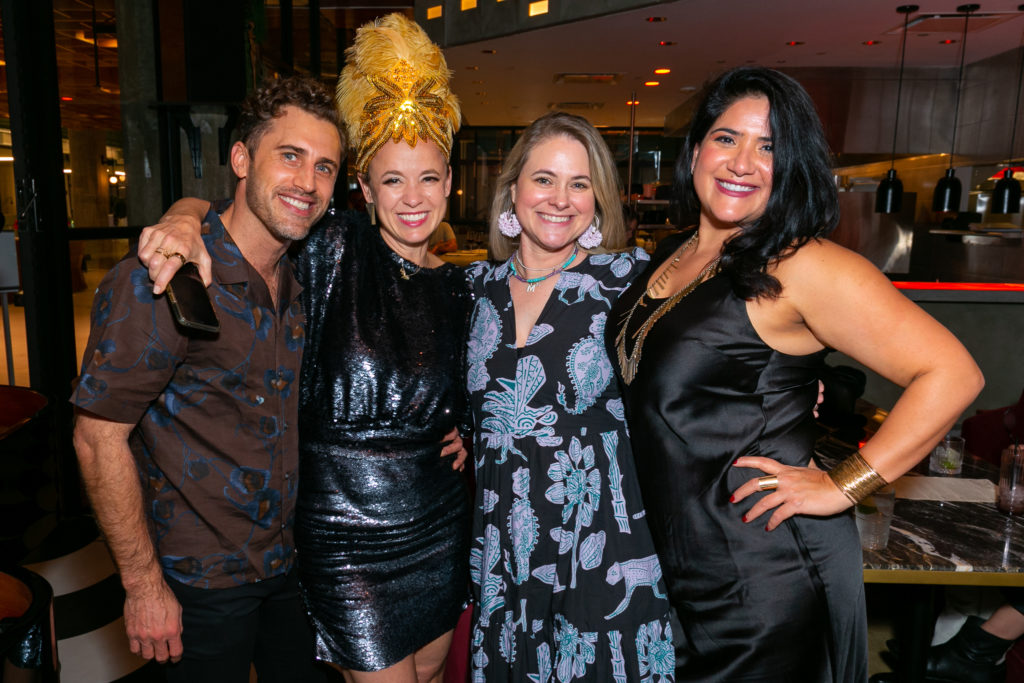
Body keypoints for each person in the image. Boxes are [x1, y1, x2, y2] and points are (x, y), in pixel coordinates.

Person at [608, 66, 984, 681]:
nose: (743, 162)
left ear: (794, 167)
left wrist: (843, 485)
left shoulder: (802, 262)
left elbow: (952, 373)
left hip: (765, 574)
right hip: (681, 570)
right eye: (727, 138)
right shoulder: (677, 251)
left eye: (770, 147)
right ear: (697, 147)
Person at [138, 14, 472, 682]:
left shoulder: (463, 287)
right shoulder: (332, 248)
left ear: (449, 184)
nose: (413, 198)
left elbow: (492, 382)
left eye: (429, 178)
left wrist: (471, 426)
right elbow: (249, 210)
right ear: (366, 190)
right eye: (394, 180)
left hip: (438, 524)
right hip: (346, 540)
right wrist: (184, 213)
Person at [71, 76, 343, 682]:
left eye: (325, 167)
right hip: (195, 581)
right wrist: (142, 586)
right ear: (241, 159)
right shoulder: (165, 279)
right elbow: (97, 439)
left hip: (286, 568)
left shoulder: (298, 284)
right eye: (290, 156)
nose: (307, 181)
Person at [466, 111, 676, 680]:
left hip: (600, 544)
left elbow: (710, 349)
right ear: (513, 190)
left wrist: (782, 382)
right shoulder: (473, 289)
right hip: (502, 552)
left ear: (597, 200)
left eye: (579, 183)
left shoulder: (633, 282)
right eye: (544, 179)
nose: (560, 199)